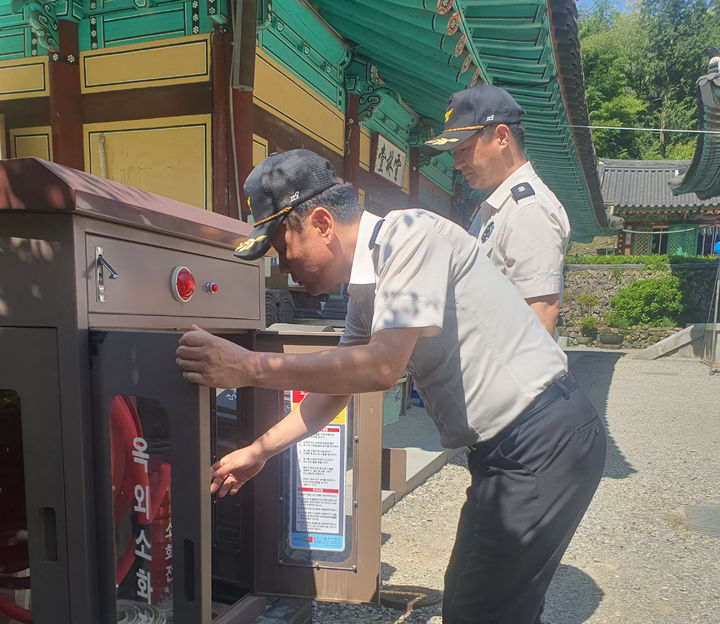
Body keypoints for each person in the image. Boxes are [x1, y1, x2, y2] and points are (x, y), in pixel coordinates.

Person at [176, 149, 606, 624]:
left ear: (321, 223)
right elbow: (336, 391)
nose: (283, 266)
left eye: (281, 246)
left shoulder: (409, 234)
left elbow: (380, 368)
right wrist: (259, 450)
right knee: (483, 603)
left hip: (541, 439)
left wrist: (248, 367)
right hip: (516, 450)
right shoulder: (367, 286)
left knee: (478, 609)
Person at [422, 85, 571, 336]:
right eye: (454, 155)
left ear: (502, 137)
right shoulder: (496, 207)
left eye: (465, 150)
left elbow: (539, 319)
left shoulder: (528, 210)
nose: (457, 164)